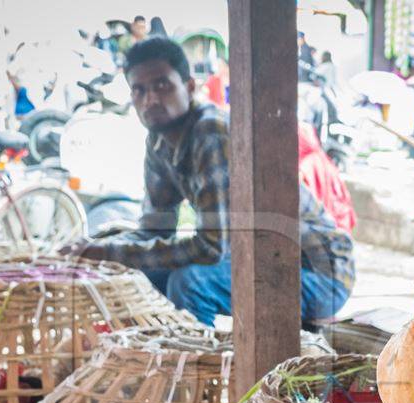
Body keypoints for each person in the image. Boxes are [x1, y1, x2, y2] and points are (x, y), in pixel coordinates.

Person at [62, 37, 354, 327]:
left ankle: (199, 370)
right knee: (142, 274)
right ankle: (154, 361)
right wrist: (97, 248)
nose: (150, 99)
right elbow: (153, 230)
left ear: (190, 87)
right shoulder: (158, 142)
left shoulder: (210, 132)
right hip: (261, 262)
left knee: (190, 283)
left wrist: (110, 252)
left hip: (320, 273)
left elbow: (211, 248)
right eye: (139, 90)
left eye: (162, 85)